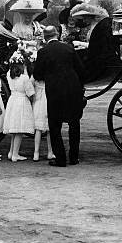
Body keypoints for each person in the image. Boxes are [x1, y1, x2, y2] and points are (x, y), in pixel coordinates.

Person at [33, 26, 86, 167]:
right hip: (73, 88)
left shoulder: (43, 52)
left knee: (55, 126)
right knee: (74, 124)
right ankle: (74, 157)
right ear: (57, 35)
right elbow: (80, 70)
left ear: (45, 38)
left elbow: (37, 74)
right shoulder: (69, 48)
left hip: (55, 91)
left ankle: (60, 158)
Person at [3, 51, 35, 162]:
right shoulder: (24, 78)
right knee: (19, 129)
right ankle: (15, 154)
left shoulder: (8, 75)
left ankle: (11, 152)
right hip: (22, 102)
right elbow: (30, 93)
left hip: (12, 100)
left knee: (14, 129)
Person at [31, 71, 55, 162]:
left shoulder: (35, 76)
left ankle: (36, 153)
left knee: (38, 129)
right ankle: (50, 152)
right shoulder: (50, 74)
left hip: (38, 102)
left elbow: (29, 85)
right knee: (49, 129)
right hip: (48, 101)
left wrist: (33, 94)